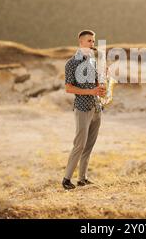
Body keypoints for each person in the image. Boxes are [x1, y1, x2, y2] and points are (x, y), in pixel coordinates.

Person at [61, 29, 106, 190]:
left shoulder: (93, 60)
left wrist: (100, 86)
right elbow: (68, 88)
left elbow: (95, 84)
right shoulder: (72, 63)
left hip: (96, 107)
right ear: (80, 42)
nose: (92, 44)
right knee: (79, 145)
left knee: (89, 145)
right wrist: (91, 91)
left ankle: (82, 178)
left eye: (93, 41)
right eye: (89, 41)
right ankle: (66, 179)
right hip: (82, 108)